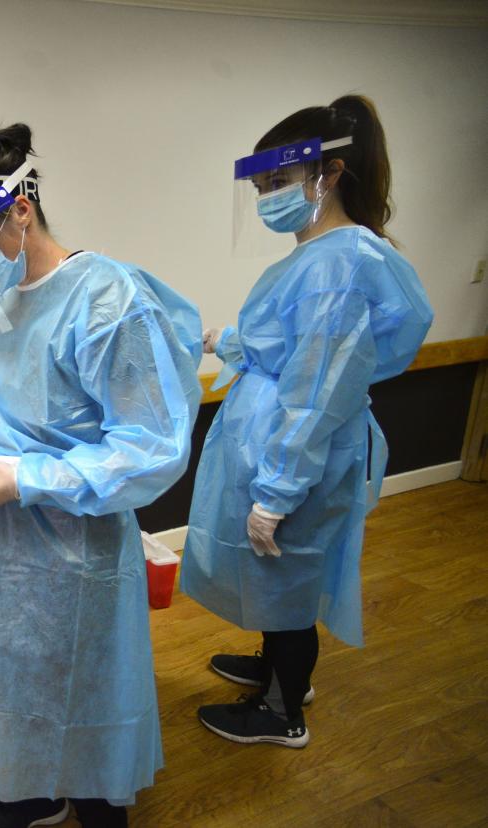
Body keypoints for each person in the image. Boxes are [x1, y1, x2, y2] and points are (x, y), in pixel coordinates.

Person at [0, 124, 203, 828]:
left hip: (76, 540)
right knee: (19, 668)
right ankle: (36, 790)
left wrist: (28, 479)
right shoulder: (1, 312)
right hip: (3, 543)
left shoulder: (107, 300)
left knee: (84, 678)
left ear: (20, 210)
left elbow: (149, 445)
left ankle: (96, 801)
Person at [182, 95, 433, 748]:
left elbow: (317, 390)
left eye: (278, 182)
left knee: (285, 572)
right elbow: (292, 348)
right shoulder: (321, 258)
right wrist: (227, 340)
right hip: (278, 443)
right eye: (260, 185)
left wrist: (278, 491)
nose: (267, 197)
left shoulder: (337, 264)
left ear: (328, 176)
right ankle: (275, 670)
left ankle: (282, 712)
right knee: (275, 573)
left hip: (296, 454)